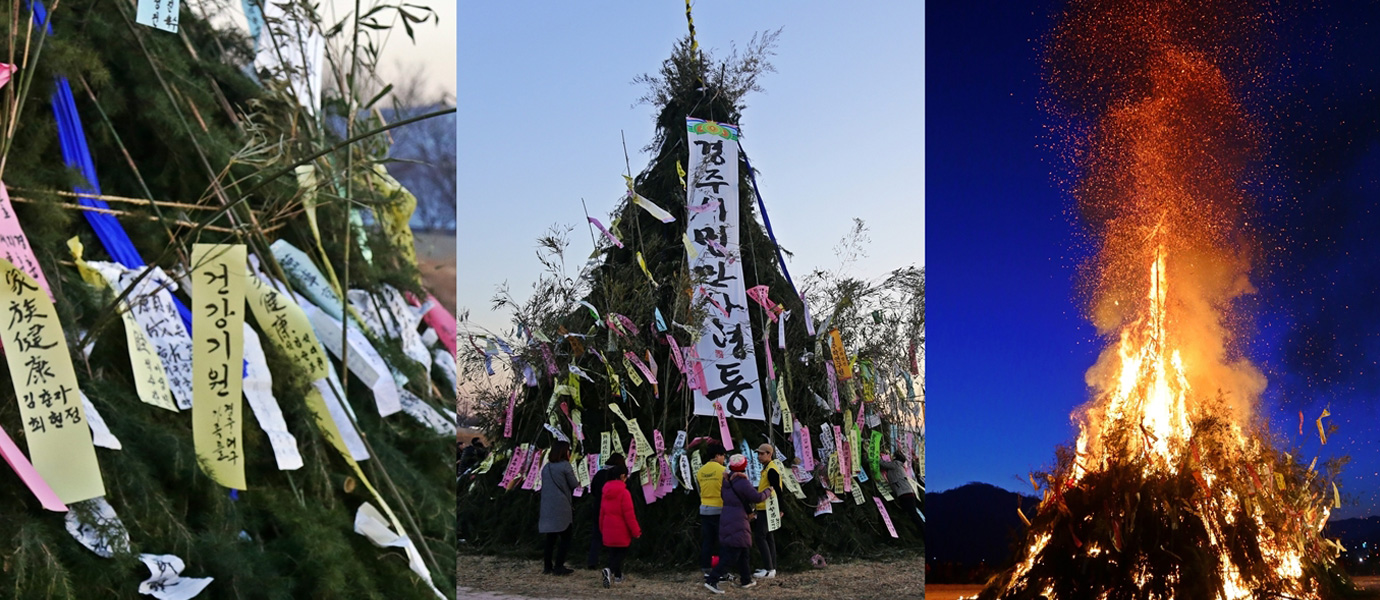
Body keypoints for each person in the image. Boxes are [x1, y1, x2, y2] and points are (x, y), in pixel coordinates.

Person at [704, 454, 773, 594]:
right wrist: (768, 491)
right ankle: (712, 579)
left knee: (743, 551)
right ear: (744, 466)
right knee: (733, 553)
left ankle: (746, 580)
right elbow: (757, 497)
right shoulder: (742, 482)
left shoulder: (726, 481)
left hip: (727, 517)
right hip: (738, 520)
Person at [538, 441, 579, 575]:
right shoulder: (565, 466)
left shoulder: (546, 467)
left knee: (550, 538)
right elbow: (573, 484)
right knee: (566, 537)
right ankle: (559, 565)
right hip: (561, 506)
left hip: (547, 506)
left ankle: (547, 566)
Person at [598, 464, 641, 588]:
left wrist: (602, 528)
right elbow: (629, 515)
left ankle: (618, 576)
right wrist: (636, 531)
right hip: (621, 530)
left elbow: (602, 512)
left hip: (608, 528)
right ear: (622, 476)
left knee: (613, 552)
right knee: (621, 553)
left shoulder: (605, 491)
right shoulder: (624, 493)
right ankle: (610, 571)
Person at [585, 453, 625, 569]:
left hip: (598, 507)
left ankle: (592, 561)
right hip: (614, 509)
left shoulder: (599, 473)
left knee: (596, 536)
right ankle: (612, 563)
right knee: (613, 537)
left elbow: (592, 490)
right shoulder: (617, 476)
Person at [752, 443, 785, 579]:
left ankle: (768, 568)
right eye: (758, 454)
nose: (759, 456)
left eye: (762, 453)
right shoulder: (767, 468)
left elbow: (777, 489)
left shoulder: (771, 470)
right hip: (766, 508)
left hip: (767, 509)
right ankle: (771, 568)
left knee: (760, 537)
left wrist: (781, 509)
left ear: (769, 454)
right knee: (769, 537)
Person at [694, 442, 728, 576]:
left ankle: (705, 567)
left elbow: (699, 490)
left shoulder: (700, 471)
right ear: (717, 455)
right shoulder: (723, 471)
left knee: (708, 540)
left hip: (704, 509)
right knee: (722, 541)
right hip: (720, 509)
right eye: (723, 456)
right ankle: (721, 568)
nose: (723, 459)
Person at [879, 453, 924, 532]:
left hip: (904, 494)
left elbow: (882, 463)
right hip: (907, 493)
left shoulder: (895, 464)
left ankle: (924, 530)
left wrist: (872, 456)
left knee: (912, 514)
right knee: (911, 513)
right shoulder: (900, 466)